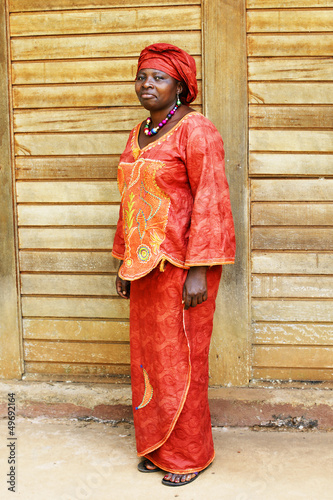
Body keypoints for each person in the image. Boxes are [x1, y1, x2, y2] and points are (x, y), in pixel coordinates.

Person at [112, 43, 235, 487]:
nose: (148, 84)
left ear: (181, 87)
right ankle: (159, 447)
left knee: (183, 360)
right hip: (143, 267)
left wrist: (199, 268)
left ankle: (189, 455)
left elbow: (212, 200)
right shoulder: (137, 133)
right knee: (151, 360)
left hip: (184, 268)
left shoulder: (196, 130)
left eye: (159, 77)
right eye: (143, 76)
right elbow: (130, 202)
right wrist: (124, 260)